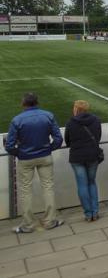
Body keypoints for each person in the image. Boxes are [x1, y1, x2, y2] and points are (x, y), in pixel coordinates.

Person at [5, 93, 64, 233]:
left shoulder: (17, 120)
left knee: (25, 191)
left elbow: (9, 145)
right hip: (44, 157)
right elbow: (58, 138)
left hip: (26, 159)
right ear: (37, 102)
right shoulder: (48, 116)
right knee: (48, 188)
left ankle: (28, 224)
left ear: (23, 103)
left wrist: (20, 153)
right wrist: (48, 148)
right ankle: (50, 221)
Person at [65, 100, 102, 222]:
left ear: (76, 109)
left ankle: (88, 213)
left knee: (82, 185)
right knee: (92, 182)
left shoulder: (71, 122)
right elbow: (98, 137)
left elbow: (68, 141)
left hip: (77, 157)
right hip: (92, 155)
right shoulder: (96, 120)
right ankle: (95, 212)